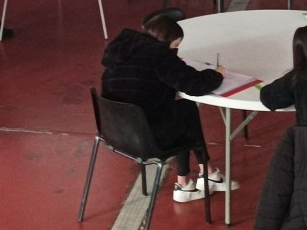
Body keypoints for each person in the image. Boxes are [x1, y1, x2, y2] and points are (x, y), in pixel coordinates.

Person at [101, 12, 240, 202]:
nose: (176, 50)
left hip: (114, 131)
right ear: (165, 42)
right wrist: (217, 74)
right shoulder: (159, 55)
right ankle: (200, 178)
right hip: (145, 137)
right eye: (175, 45)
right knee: (186, 111)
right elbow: (195, 85)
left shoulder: (123, 48)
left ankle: (194, 180)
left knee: (181, 111)